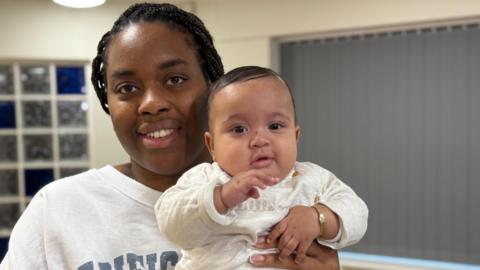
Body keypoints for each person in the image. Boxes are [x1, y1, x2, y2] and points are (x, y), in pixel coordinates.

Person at [0, 3, 345, 270]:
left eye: (175, 80)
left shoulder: (289, 192)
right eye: (127, 88)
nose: (150, 104)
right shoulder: (59, 211)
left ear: (214, 88)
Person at [155, 66, 368, 269]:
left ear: (295, 136)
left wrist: (318, 218)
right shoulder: (204, 179)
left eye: (275, 126)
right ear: (212, 146)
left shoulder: (311, 178)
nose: (259, 140)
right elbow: (171, 225)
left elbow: (357, 214)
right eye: (239, 129)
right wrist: (221, 198)